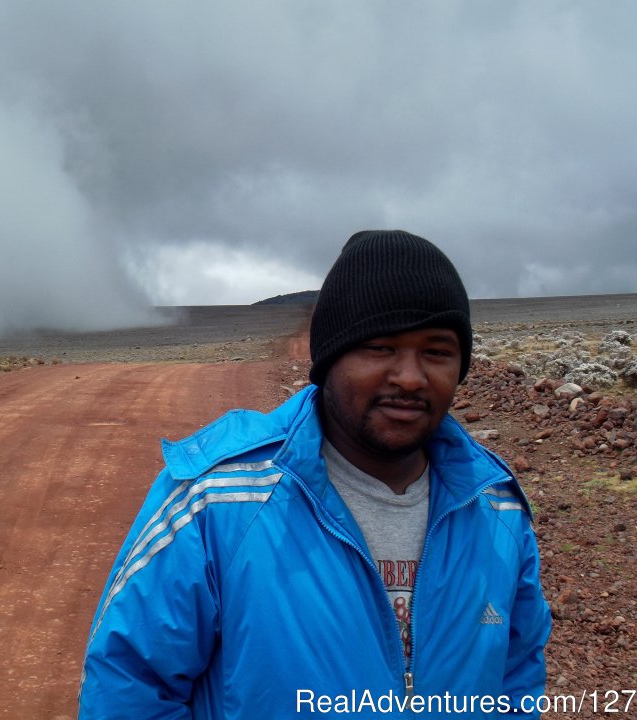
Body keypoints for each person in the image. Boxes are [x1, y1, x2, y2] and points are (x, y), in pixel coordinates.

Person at [79, 230, 551, 719]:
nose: (410, 377)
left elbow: (517, 681)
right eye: (381, 347)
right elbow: (128, 688)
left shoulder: (496, 508)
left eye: (436, 351)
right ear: (330, 359)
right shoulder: (218, 502)